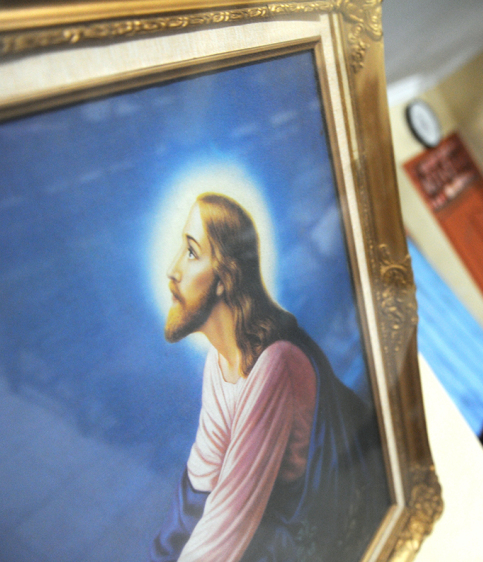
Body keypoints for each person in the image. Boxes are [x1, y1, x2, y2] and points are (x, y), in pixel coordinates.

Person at [149, 193, 387, 562]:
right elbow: (202, 481)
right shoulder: (220, 362)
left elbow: (232, 517)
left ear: (225, 278)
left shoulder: (275, 363)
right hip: (277, 516)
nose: (172, 270)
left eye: (192, 252)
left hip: (325, 517)